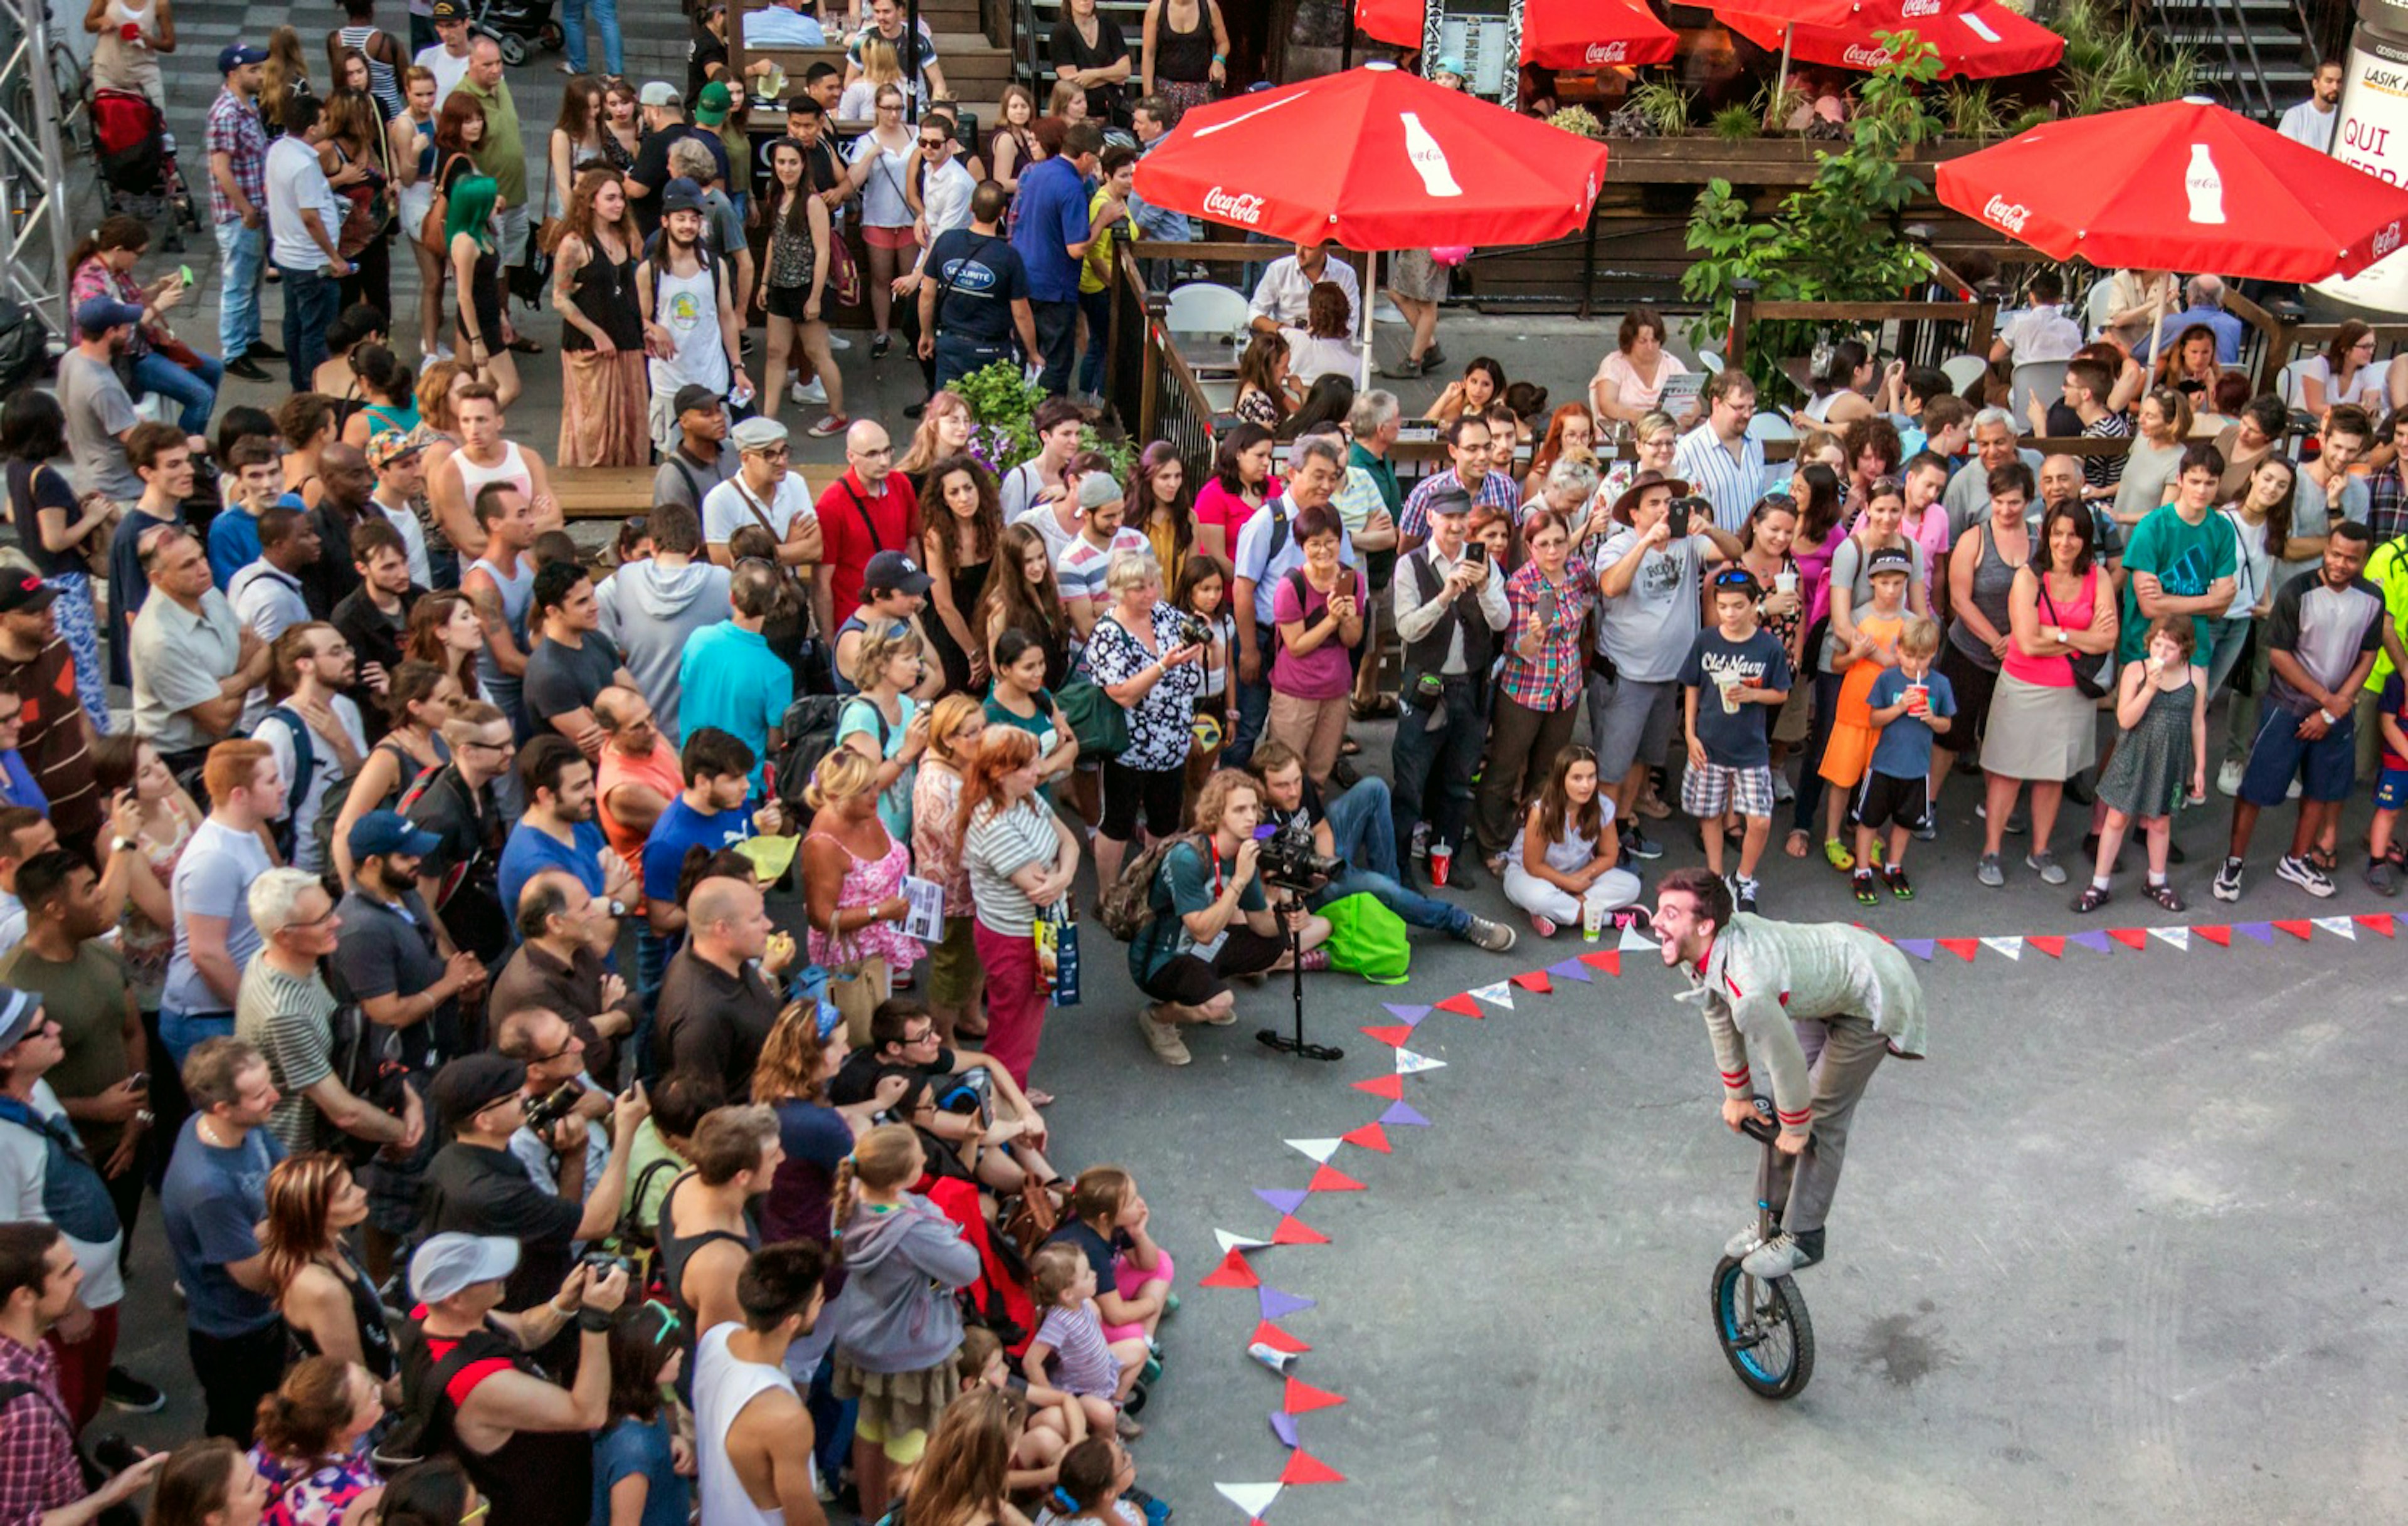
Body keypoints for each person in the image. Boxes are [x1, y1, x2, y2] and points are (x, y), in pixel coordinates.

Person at [1654, 866, 1925, 1278]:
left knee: (1815, 1117)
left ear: (1705, 924)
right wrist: (1738, 1094)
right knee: (1786, 1105)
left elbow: (1785, 1062)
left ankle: (1805, 1234)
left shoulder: (1750, 989)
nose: (1655, 922)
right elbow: (1716, 1012)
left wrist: (1798, 1126)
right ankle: (1772, 1220)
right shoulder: (1701, 949)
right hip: (1817, 992)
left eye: (1670, 914)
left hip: (1872, 992)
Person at [2215, 522, 2403, 901]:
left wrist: (2336, 708)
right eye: (2335, 554)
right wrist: (2325, 699)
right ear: (2326, 550)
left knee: (2321, 789)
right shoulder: (2296, 591)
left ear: (2364, 561)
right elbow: (2280, 656)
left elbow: (2368, 656)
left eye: (2351, 559)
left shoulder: (2372, 598)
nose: (2340, 563)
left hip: (2336, 714)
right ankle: (2234, 861)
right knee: (2257, 790)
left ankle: (2297, 860)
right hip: (2287, 708)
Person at [396, 1231, 630, 1526]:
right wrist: (597, 1320)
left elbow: (523, 1330)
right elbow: (588, 1412)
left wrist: (565, 1304)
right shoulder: (475, 1382)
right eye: (486, 1274)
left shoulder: (427, 1319)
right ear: (454, 1298)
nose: (501, 1275)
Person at [823, 1122, 978, 1521]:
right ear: (901, 1178)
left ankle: (873, 1515)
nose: (925, 1158)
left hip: (864, 1339)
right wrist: (934, 1220)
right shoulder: (914, 1231)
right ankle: (903, 1516)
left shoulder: (848, 1203)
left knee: (870, 1428)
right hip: (909, 1352)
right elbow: (967, 1268)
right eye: (918, 1157)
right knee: (909, 1446)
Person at [1591, 470, 1743, 860]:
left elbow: (1735, 550)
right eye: (1654, 504)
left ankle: (1623, 827)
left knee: (1644, 759)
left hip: (1670, 676)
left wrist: (1708, 528)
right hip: (1626, 675)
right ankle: (1604, 845)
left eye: (1669, 502)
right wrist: (1645, 544)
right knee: (1612, 767)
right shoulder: (1618, 545)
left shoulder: (1689, 543)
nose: (1664, 510)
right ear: (1635, 514)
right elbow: (1610, 586)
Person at [418, 1051, 647, 1311]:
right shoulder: (493, 1192)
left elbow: (559, 1228)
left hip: (540, 1296)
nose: (525, 1097)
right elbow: (597, 1223)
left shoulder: (456, 1159)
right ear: (485, 1120)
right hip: (519, 1314)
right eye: (513, 1097)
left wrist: (576, 1155)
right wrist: (626, 1131)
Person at [1129, 769, 1328, 1065]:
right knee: (1220, 1004)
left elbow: (1260, 923)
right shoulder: (1188, 857)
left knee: (1274, 944)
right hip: (1161, 958)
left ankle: (1204, 987)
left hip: (1197, 950)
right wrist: (1240, 882)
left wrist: (1286, 920)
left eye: (1253, 808)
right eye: (1239, 810)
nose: (1251, 817)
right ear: (1217, 814)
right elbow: (1202, 933)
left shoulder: (1240, 853)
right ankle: (1158, 1018)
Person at [1977, 503, 2118, 889]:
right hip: (2023, 685)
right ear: (2045, 535)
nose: (2065, 542)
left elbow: (2108, 638)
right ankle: (1991, 850)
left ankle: (2040, 849)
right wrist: (2078, 638)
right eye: (2057, 532)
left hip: (2071, 691)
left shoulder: (2098, 576)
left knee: (2052, 774)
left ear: (2086, 539)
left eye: (2074, 534)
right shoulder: (2028, 577)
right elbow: (2026, 642)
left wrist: (2054, 634)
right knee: (2007, 770)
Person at [238, 868, 421, 1155]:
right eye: (322, 920)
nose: (337, 922)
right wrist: (403, 1133)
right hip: (304, 1158)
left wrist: (409, 1097)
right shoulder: (284, 1013)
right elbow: (344, 1112)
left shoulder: (283, 956)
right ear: (284, 936)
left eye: (330, 910)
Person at [162, 1036, 288, 1441]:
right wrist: (291, 1227)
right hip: (236, 1338)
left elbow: (286, 1173)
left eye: (268, 1083)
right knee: (242, 1435)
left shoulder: (241, 1127)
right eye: (258, 1094)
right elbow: (253, 1276)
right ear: (222, 1108)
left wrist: (267, 1229)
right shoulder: (208, 1187)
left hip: (262, 1321)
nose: (274, 1096)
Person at [0, 1223, 170, 1523]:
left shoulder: (34, 1351)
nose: (79, 1276)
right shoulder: (24, 1410)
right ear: (24, 1296)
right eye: (66, 1272)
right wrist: (108, 1497)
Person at [1388, 482, 1507, 888]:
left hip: (1471, 688)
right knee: (1410, 783)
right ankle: (1400, 864)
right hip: (1425, 689)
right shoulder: (1411, 564)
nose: (1456, 526)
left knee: (1458, 784)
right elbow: (1406, 628)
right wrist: (1445, 596)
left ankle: (1446, 856)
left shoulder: (1485, 563)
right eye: (1449, 518)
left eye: (1462, 518)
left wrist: (1485, 585)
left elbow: (1502, 622)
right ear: (1431, 518)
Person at [2076, 615, 2209, 913]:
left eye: (2170, 648)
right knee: (2117, 818)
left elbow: (2198, 723)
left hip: (2170, 759)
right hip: (2133, 755)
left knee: (2160, 822)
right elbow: (2124, 719)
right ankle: (2099, 883)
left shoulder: (2195, 675)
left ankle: (2157, 881)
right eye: (2157, 644)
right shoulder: (2136, 671)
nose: (2161, 653)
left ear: (2185, 651)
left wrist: (2199, 768)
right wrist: (2149, 688)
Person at [1679, 567, 1793, 912]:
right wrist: (1689, 733)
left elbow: (1781, 694)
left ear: (1755, 605)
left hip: (1751, 748)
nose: (1730, 614)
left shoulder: (1768, 646)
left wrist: (1752, 695)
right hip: (1709, 742)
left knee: (1759, 818)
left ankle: (1743, 879)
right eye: (1724, 606)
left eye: (1738, 606)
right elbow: (1692, 686)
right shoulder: (1706, 640)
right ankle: (1715, 878)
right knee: (1710, 814)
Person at [162, 744, 282, 1070]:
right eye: (271, 781)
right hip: (208, 1019)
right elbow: (207, 954)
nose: (282, 787)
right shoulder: (214, 859)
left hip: (231, 1009)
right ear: (240, 794)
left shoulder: (247, 834)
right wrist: (255, 1014)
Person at [694, 1240, 828, 1526]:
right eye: (818, 1300)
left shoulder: (716, 1339)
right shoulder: (786, 1417)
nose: (823, 1304)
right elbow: (804, 1517)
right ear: (792, 1322)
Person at [257, 1154, 396, 1390]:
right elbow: (351, 1375)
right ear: (313, 1213)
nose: (362, 1192)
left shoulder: (335, 1241)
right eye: (346, 1195)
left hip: (387, 1369)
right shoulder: (321, 1289)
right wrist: (393, 1398)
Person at [490, 873, 638, 1085]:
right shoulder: (533, 988)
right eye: (585, 907)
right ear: (556, 923)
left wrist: (601, 1023)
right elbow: (592, 1057)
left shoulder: (575, 946)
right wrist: (615, 1016)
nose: (595, 914)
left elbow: (634, 1004)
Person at [638, 179, 750, 458]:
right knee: (671, 456)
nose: (687, 226)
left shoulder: (715, 266)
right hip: (669, 380)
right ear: (665, 222)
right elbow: (636, 319)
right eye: (680, 219)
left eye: (693, 219)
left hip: (711, 375)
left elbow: (726, 317)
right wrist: (653, 328)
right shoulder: (648, 271)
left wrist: (737, 367)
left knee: (717, 450)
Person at [657, 873, 793, 1099]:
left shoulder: (729, 959)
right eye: (756, 919)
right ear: (722, 929)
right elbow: (704, 1114)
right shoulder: (700, 1016)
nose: (768, 925)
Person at [1848, 616, 1954, 905]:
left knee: (1905, 822)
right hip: (1884, 764)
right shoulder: (1888, 679)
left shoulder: (1940, 684)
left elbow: (1947, 725)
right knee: (1869, 820)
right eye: (1908, 656)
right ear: (1898, 650)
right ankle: (1862, 870)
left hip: (1918, 768)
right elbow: (1873, 718)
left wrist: (1932, 718)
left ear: (1933, 654)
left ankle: (1894, 866)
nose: (1914, 664)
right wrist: (1899, 707)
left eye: (1922, 658)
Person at [403, 701, 514, 966]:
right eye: (500, 746)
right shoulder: (438, 818)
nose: (510, 751)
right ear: (468, 752)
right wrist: (457, 963)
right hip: (466, 949)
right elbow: (422, 904)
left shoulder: (483, 783)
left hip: (490, 932)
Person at [0, 576, 102, 841]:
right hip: (44, 835)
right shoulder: (3, 686)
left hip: (91, 810)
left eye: (50, 605)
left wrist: (102, 781)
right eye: (36, 611)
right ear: (4, 620)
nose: (51, 615)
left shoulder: (59, 647)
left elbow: (77, 713)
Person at [265, 93, 354, 392]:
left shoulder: (278, 150)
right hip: (312, 261)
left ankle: (299, 383)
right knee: (316, 330)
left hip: (287, 255)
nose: (328, 122)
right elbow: (311, 218)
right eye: (324, 119)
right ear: (312, 129)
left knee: (295, 323)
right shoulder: (304, 166)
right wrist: (335, 258)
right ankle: (313, 388)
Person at [1011, 122, 1102, 396]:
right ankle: (1049, 421)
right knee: (1057, 364)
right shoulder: (1073, 187)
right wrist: (1103, 220)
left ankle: (1018, 420)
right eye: (1095, 159)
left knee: (1024, 356)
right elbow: (1076, 248)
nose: (1094, 167)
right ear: (1085, 157)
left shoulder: (1037, 173)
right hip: (1055, 287)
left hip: (1025, 276)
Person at [922, 181, 1039, 392]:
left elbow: (927, 294)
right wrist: (1032, 351)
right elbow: (1021, 313)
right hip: (991, 349)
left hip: (951, 344)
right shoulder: (1009, 257)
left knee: (948, 413)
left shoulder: (946, 241)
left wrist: (926, 333)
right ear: (1003, 212)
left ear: (970, 208)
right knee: (989, 416)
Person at [207, 43, 279, 383]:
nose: (261, 75)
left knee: (252, 280)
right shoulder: (226, 114)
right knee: (237, 284)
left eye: (261, 68)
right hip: (240, 216)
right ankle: (234, 352)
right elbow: (221, 168)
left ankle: (250, 339)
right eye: (254, 70)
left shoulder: (247, 106)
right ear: (233, 74)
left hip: (254, 211)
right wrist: (246, 208)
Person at [814, 422, 922, 648]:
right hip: (858, 625)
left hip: (898, 614)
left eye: (887, 451)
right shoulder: (832, 504)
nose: (884, 461)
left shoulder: (901, 484)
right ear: (850, 456)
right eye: (872, 454)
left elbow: (911, 542)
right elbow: (822, 580)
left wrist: (915, 596)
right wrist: (829, 638)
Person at [246, 1355, 386, 1526]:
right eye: (370, 1397)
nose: (378, 1390)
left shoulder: (270, 1446)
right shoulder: (358, 1497)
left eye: (368, 1377)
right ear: (339, 1431)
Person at [1671, 371, 1765, 526]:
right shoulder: (1688, 449)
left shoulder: (1755, 442)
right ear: (1716, 404)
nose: (1747, 415)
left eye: (1751, 408)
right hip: (1711, 548)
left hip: (1749, 547)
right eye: (1739, 408)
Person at [652, 388, 739, 523]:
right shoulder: (673, 475)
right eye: (707, 414)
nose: (719, 418)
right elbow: (675, 535)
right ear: (684, 422)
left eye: (718, 410)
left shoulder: (733, 450)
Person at [2279, 57, 2344, 152]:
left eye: (2339, 82)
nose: (2335, 87)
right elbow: (2284, 154)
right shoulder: (2295, 116)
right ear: (2315, 84)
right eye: (2329, 81)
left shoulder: (2344, 118)